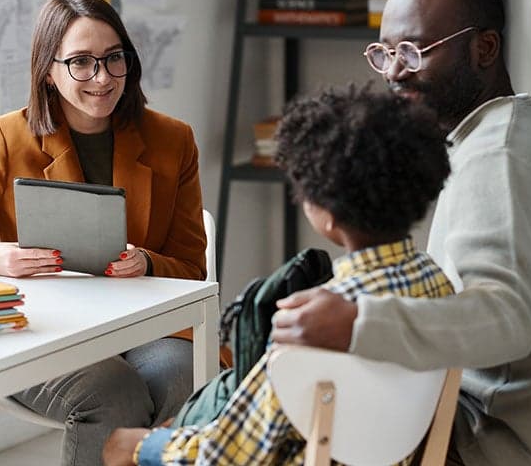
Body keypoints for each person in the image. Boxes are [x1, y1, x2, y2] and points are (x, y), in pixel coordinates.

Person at [270, 0, 531, 465]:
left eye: (414, 52)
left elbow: (506, 318)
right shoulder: (515, 130)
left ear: (485, 49)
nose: (393, 71)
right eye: (386, 53)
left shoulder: (498, 157)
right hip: (503, 414)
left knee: (288, 414)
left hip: (491, 440)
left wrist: (356, 322)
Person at [0, 0, 207, 466]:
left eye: (115, 59)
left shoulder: (171, 140)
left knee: (177, 378)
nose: (102, 77)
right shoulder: (11, 139)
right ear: (48, 71)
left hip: (148, 329)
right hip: (49, 329)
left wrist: (148, 262)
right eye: (80, 62)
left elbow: (193, 268)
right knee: (112, 393)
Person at [103, 83, 456, 465]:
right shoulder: (439, 287)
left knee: (127, 445)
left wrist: (142, 446)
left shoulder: (312, 327)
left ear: (327, 215)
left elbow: (224, 457)